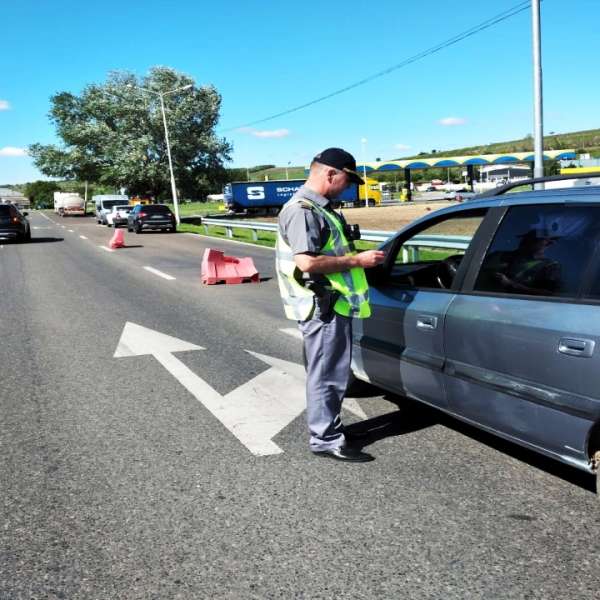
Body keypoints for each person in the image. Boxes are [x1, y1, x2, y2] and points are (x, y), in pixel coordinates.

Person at [276, 148, 386, 462]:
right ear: (329, 174)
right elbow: (307, 263)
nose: (349, 187)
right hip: (323, 305)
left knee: (330, 372)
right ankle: (325, 439)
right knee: (326, 375)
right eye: (348, 180)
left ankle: (330, 428)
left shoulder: (319, 208)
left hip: (328, 304)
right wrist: (358, 260)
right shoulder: (303, 210)